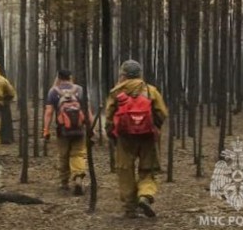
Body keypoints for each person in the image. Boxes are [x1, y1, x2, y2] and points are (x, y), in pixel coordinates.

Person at [105, 60, 168, 218]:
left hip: (125, 138)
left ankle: (130, 208)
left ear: (123, 75)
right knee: (148, 169)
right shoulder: (150, 90)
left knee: (125, 170)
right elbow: (162, 112)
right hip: (147, 136)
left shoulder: (116, 91)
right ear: (140, 74)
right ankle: (145, 195)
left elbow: (109, 117)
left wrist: (112, 134)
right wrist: (155, 127)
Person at [43, 69, 93, 196]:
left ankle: (64, 183)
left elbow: (49, 112)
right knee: (78, 153)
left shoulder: (53, 91)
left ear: (58, 78)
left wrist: (46, 130)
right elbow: (87, 111)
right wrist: (91, 128)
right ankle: (78, 178)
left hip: (62, 130)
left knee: (63, 155)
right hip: (79, 129)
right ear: (71, 77)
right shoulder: (80, 90)